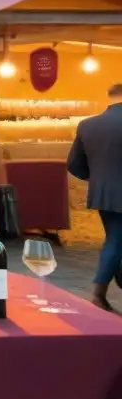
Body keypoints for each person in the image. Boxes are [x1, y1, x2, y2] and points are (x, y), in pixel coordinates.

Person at [67, 84, 122, 311]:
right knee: (116, 240)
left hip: (103, 194)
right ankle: (98, 293)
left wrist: (97, 179)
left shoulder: (88, 125)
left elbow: (73, 164)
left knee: (116, 238)